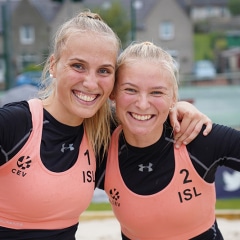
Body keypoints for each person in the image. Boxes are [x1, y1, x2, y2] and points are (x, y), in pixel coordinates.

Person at [0, 10, 211, 240]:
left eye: (103, 71)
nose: (90, 83)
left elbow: (146, 116)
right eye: (78, 66)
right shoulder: (15, 124)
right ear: (53, 65)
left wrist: (176, 108)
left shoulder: (105, 131)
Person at [101, 41, 240, 240]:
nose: (142, 104)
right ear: (113, 93)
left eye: (156, 92)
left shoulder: (196, 137)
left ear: (173, 97)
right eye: (130, 90)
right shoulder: (101, 146)